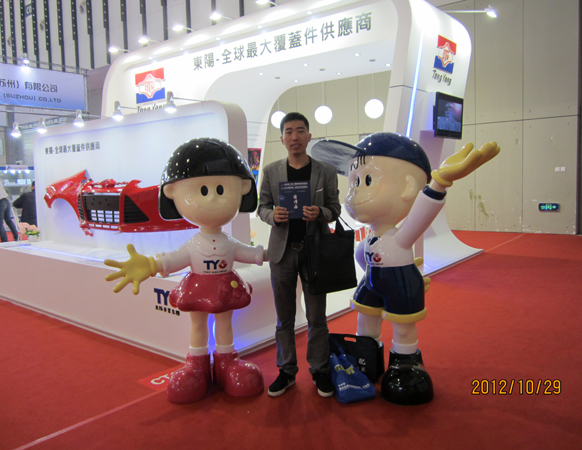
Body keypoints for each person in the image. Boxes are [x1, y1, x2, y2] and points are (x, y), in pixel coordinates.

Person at [105, 138, 266, 404]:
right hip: (199, 286)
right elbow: (174, 259)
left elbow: (249, 253)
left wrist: (275, 254)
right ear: (172, 193)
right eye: (202, 190)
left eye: (221, 189)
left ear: (243, 188)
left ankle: (226, 361)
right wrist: (150, 265)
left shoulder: (228, 242)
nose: (212, 197)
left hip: (225, 287)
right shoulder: (193, 244)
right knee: (198, 323)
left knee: (224, 322)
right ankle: (197, 364)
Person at [345, 132, 500, 405]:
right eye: (354, 182)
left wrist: (439, 182)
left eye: (367, 181)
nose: (355, 193)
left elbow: (421, 215)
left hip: (399, 284)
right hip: (372, 282)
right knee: (365, 319)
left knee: (403, 327)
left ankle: (405, 364)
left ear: (408, 187)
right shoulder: (369, 238)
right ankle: (366, 357)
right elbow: (361, 257)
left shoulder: (401, 237)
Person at [258, 112, 341, 398]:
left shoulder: (326, 171)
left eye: (300, 131)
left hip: (314, 251)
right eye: (289, 132)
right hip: (282, 253)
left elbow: (335, 208)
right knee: (284, 318)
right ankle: (286, 370)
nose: (295, 137)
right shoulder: (271, 171)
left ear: (309, 136)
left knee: (317, 316)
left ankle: (320, 370)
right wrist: (272, 216)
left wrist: (321, 213)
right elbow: (262, 207)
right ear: (282, 138)